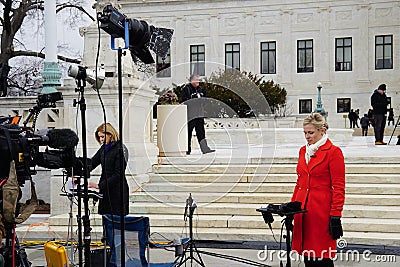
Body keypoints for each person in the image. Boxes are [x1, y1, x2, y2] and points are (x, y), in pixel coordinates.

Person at [291, 113, 345, 267]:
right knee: (308, 257)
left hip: (321, 214)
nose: (307, 136)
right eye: (305, 133)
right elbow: (299, 181)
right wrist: (292, 207)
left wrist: (336, 215)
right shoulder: (303, 151)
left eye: (311, 133)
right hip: (303, 213)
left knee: (322, 259)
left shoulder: (334, 152)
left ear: (322, 131)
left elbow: (339, 187)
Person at [88, 122, 129, 217]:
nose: (101, 140)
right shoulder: (103, 149)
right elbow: (92, 163)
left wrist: (99, 186)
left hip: (117, 191)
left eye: (102, 137)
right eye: (99, 138)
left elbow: (118, 174)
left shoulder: (120, 149)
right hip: (106, 191)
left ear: (110, 135)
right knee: (106, 220)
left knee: (116, 222)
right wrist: (78, 173)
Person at [181, 74, 215, 155]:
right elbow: (185, 101)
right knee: (188, 132)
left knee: (201, 132)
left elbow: (206, 100)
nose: (198, 81)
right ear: (191, 81)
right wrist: (194, 99)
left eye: (198, 79)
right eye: (196, 79)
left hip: (199, 114)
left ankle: (205, 149)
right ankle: (187, 149)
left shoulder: (201, 89)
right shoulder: (187, 89)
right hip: (190, 115)